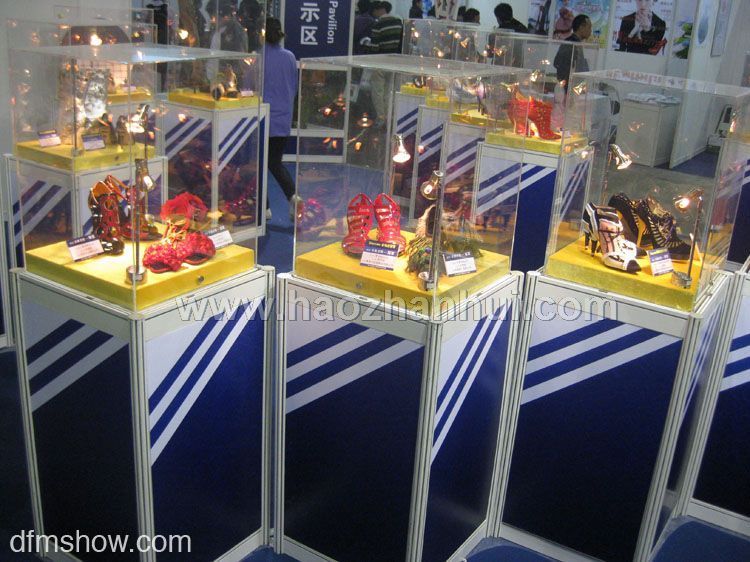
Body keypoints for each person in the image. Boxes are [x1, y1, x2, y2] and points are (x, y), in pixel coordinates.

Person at [262, 18, 298, 213]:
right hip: (283, 119)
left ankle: (264, 208)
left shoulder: (258, 57)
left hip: (262, 119)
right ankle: (293, 196)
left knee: (258, 165)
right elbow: (294, 87)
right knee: (275, 162)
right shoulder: (290, 57)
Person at [554, 14, 591, 85]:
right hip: (568, 84)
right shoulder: (571, 43)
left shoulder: (576, 43)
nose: (590, 31)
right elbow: (557, 63)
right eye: (589, 27)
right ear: (581, 27)